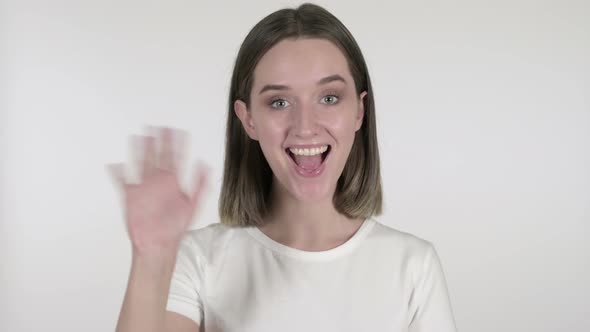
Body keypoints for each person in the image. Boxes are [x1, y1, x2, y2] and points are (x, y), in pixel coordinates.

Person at [110, 3, 457, 332]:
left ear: (359, 112)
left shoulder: (412, 265)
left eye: (329, 98)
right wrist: (151, 259)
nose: (305, 126)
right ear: (248, 119)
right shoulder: (199, 259)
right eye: (279, 102)